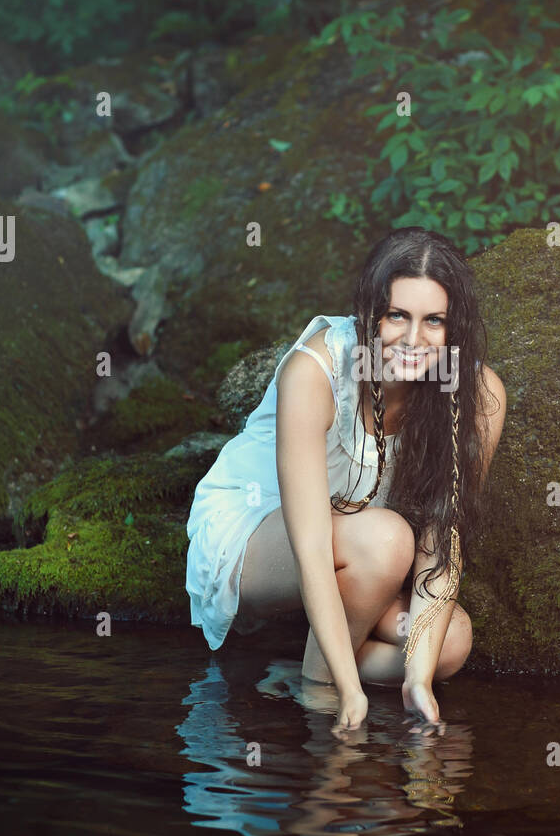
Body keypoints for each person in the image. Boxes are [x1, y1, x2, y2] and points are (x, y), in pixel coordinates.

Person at [185, 226, 506, 736]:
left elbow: (440, 538)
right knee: (385, 539)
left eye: (434, 321)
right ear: (369, 312)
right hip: (260, 536)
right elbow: (311, 546)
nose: (413, 340)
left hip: (364, 550)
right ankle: (320, 688)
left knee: (450, 641)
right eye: (397, 315)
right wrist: (347, 692)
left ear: (456, 328)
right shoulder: (315, 371)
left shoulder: (477, 394)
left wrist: (417, 680)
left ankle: (300, 673)